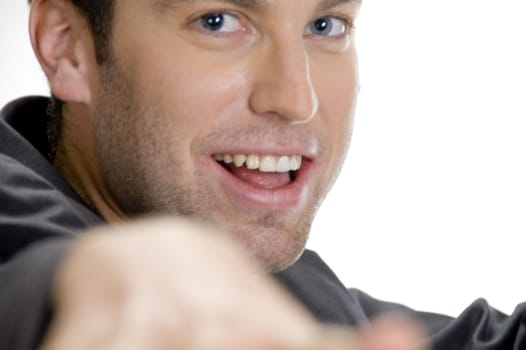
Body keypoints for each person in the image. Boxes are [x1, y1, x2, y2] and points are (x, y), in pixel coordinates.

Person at [0, 0, 524, 349]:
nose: (296, 99)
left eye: (326, 26)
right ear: (67, 46)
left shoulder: (298, 302)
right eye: (218, 21)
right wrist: (75, 289)